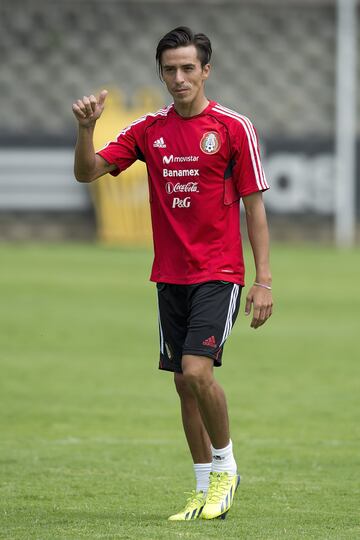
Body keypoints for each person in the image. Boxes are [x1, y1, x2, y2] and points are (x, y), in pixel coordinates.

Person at [72, 26, 273, 521]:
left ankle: (227, 468)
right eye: (170, 69)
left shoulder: (231, 128)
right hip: (169, 276)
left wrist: (263, 280)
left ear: (206, 70)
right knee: (184, 385)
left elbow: (255, 209)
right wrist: (84, 130)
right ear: (160, 73)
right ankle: (203, 488)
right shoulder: (149, 130)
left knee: (197, 371)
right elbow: (87, 172)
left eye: (188, 68)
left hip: (219, 273)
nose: (179, 78)